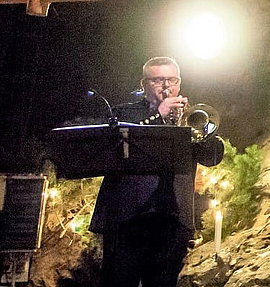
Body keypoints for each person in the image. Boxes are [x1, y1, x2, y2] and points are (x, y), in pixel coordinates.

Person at [91, 56, 225, 287]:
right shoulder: (124, 114)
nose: (166, 86)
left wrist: (196, 129)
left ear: (179, 83)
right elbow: (112, 147)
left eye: (171, 80)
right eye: (158, 80)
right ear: (144, 85)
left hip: (172, 220)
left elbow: (213, 157)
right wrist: (158, 116)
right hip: (126, 221)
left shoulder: (189, 119)